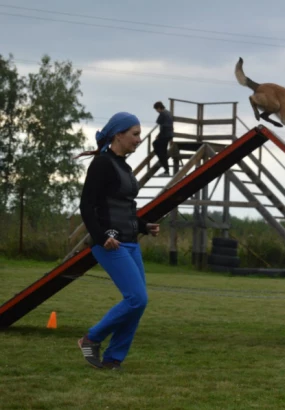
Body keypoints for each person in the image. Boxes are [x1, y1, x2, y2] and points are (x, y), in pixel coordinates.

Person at [75, 112, 160, 371]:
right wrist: (102, 237)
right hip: (110, 243)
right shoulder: (102, 164)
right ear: (118, 135)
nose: (139, 139)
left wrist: (144, 226)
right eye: (135, 134)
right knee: (137, 299)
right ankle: (92, 338)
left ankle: (113, 360)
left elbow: (123, 206)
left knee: (137, 304)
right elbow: (87, 205)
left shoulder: (123, 166)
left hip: (130, 242)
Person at [153, 101, 174, 176]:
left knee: (155, 145)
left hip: (165, 135)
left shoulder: (162, 114)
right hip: (169, 134)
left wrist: (159, 135)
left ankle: (163, 164)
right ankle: (166, 169)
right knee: (163, 151)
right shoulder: (168, 112)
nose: (156, 111)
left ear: (159, 108)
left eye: (156, 109)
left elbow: (163, 125)